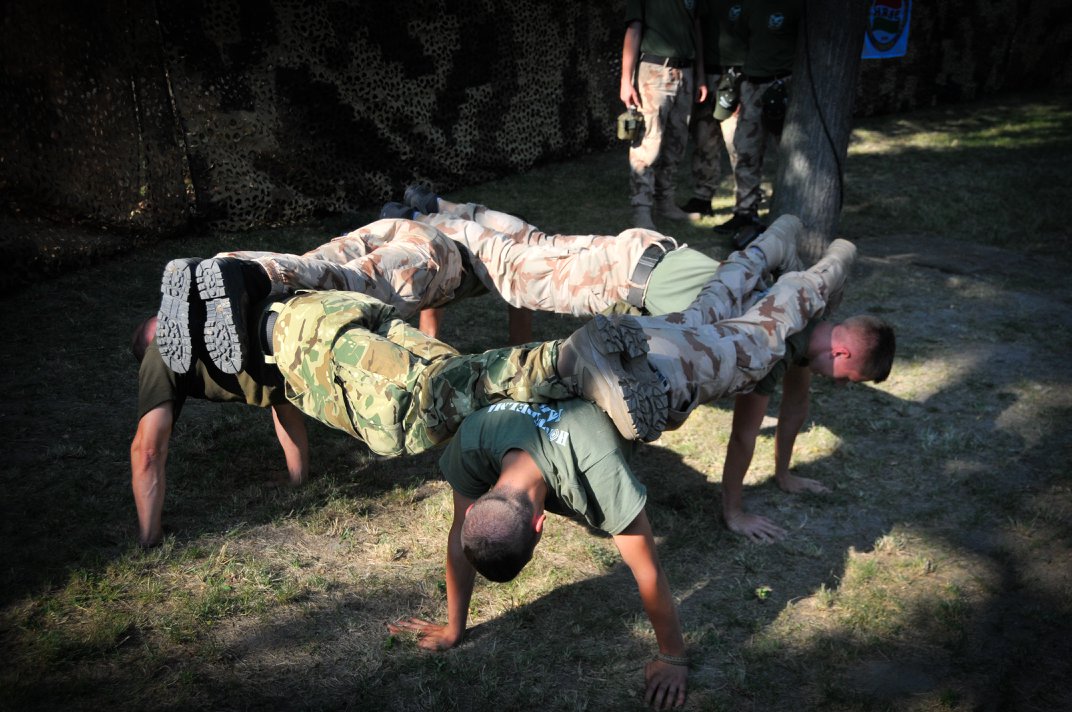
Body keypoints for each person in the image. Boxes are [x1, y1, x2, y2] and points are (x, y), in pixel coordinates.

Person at [387, 239, 880, 708]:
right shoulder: (475, 437)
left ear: (540, 525)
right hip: (619, 347)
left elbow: (648, 571)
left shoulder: (597, 473)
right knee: (719, 298)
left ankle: (832, 255)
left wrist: (673, 658)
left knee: (764, 334)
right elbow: (463, 536)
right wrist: (453, 628)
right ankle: (773, 247)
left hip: (673, 370)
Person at [130, 299, 309, 547]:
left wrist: (151, 536)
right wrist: (297, 476)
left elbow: (148, 452)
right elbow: (280, 397)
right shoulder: (215, 309)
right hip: (296, 319)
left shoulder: (161, 350)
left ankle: (150, 534)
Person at [714, 0, 803, 246]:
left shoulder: (796, 6)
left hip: (781, 84)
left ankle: (789, 212)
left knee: (788, 152)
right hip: (751, 84)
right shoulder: (750, 5)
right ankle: (745, 213)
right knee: (745, 150)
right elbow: (742, 37)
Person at [620, 0, 707, 231]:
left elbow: (696, 29)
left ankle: (665, 202)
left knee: (676, 143)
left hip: (685, 72)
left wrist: (700, 75)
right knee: (647, 142)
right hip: (654, 70)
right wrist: (625, 80)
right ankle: (641, 209)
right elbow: (633, 30)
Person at [680, 0, 747, 220]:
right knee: (704, 140)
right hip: (707, 74)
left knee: (738, 142)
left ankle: (745, 206)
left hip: (737, 76)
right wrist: (700, 74)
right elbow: (697, 31)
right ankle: (702, 197)